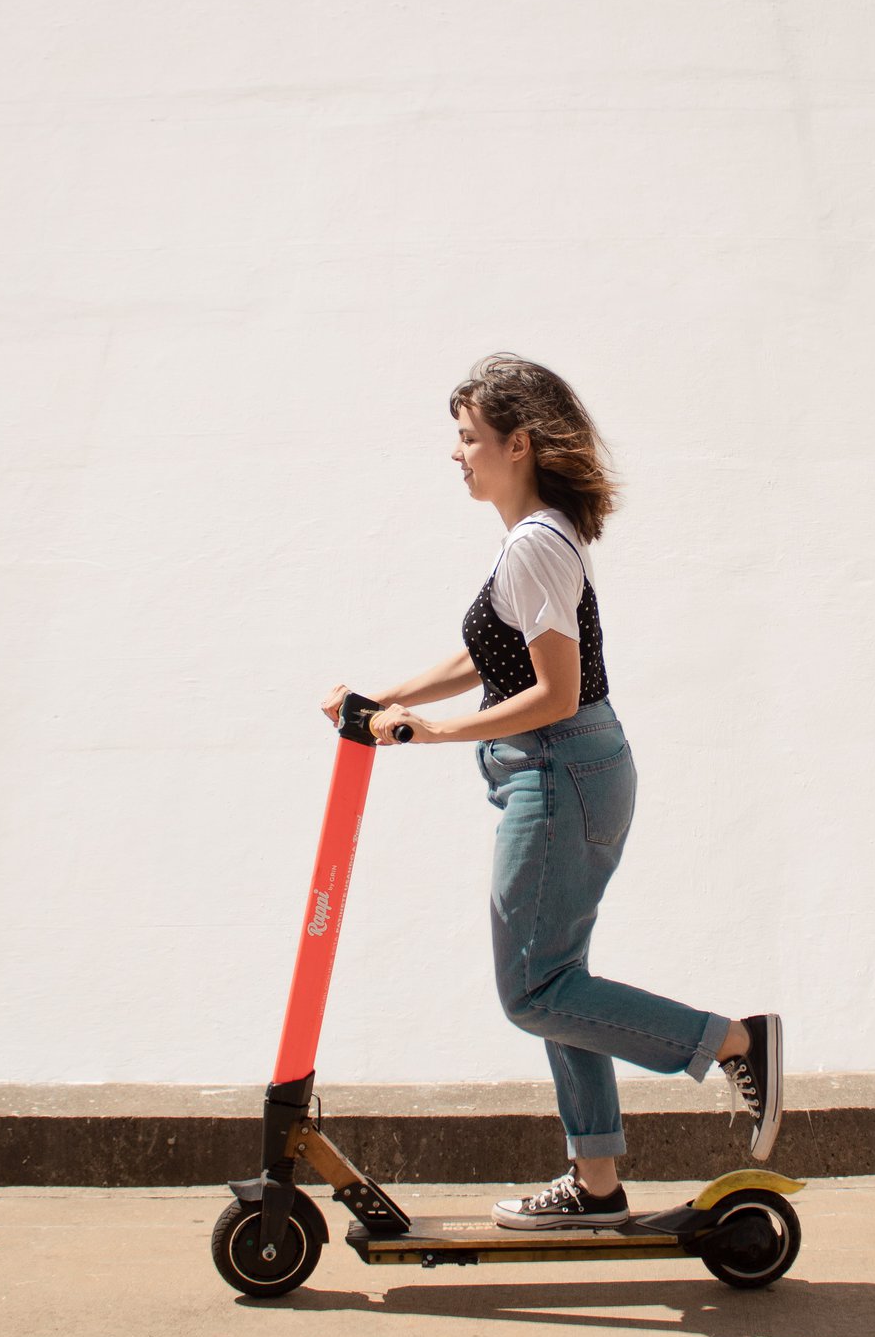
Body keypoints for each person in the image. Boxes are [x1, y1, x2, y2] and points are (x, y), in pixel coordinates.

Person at [320, 352, 783, 1231]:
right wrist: (388, 700)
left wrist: (432, 733)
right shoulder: (536, 540)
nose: (457, 455)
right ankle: (597, 1184)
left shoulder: (535, 544)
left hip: (559, 768)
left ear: (518, 442)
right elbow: (486, 659)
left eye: (468, 438)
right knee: (557, 982)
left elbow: (554, 692)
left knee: (533, 992)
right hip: (570, 770)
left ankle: (733, 1042)